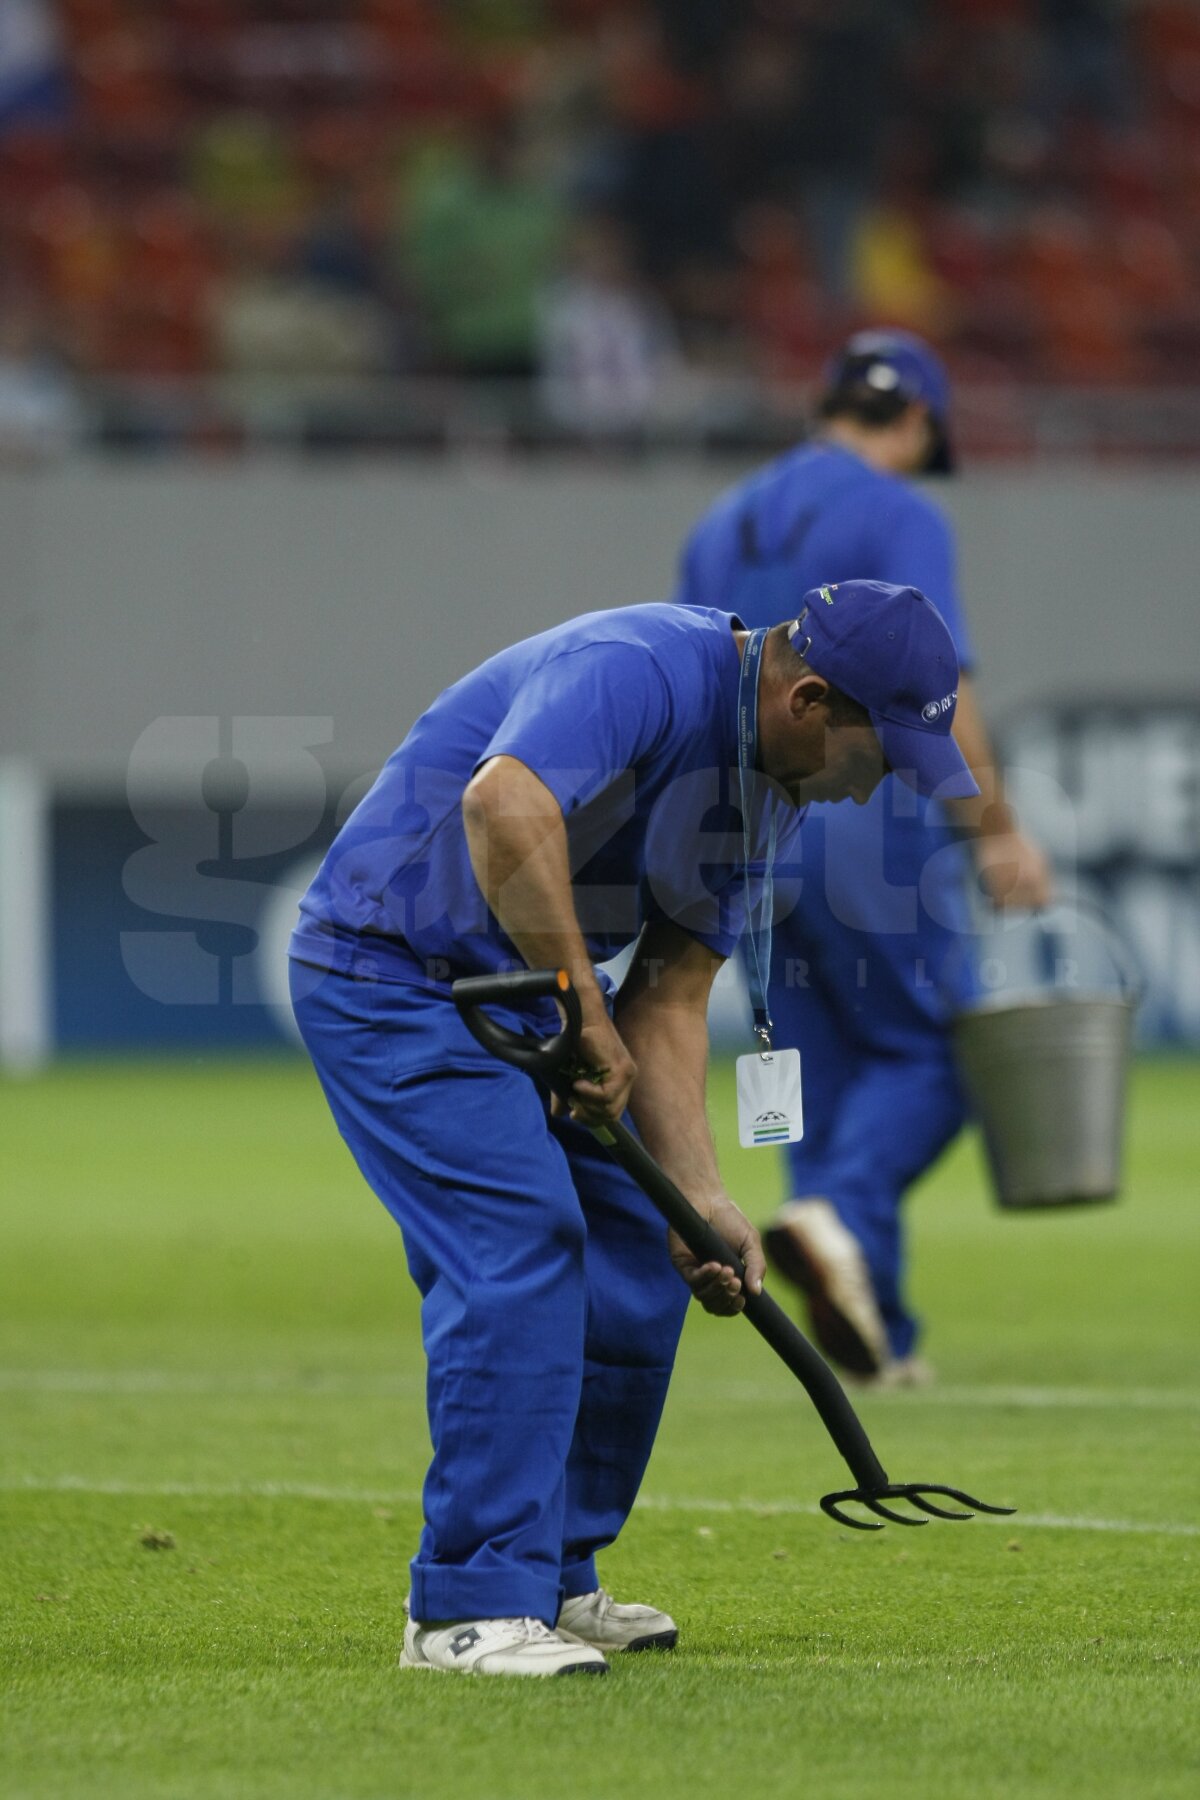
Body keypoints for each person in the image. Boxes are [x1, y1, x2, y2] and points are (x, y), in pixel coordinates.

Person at [288, 586, 976, 1677]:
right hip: (390, 976)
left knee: (637, 1243)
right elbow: (502, 804)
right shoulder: (638, 666)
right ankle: (465, 1607)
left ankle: (554, 1575)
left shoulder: (773, 795)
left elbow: (669, 992)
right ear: (809, 700)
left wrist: (702, 1200)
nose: (877, 785)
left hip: (522, 998)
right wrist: (580, 1005)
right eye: (880, 755)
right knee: (521, 1239)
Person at [676, 329, 1051, 1386]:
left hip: (741, 822)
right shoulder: (899, 512)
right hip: (861, 812)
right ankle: (836, 1216)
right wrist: (999, 830)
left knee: (816, 1073)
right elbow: (941, 689)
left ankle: (873, 1327)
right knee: (942, 1055)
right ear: (920, 424)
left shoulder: (721, 520)